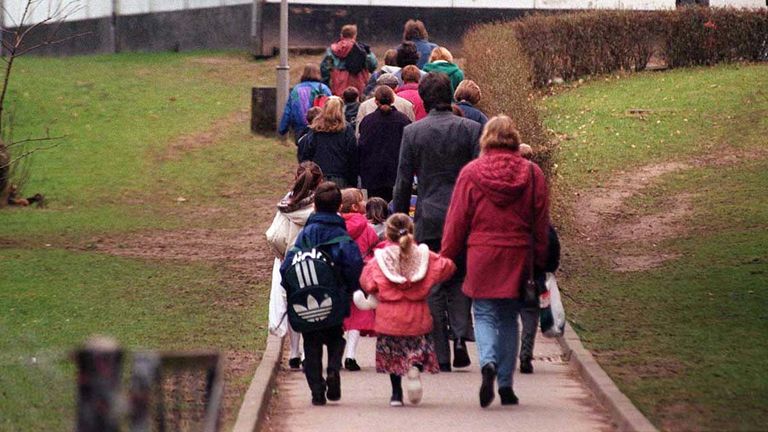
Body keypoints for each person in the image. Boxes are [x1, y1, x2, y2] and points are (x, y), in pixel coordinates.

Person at [440, 115, 550, 408]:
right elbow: (541, 223)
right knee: (508, 318)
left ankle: (487, 363)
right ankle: (505, 383)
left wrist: (447, 256)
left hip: (482, 253)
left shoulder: (471, 173)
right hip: (517, 254)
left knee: (485, 313)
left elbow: (457, 220)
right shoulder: (532, 174)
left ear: (485, 139)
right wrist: (540, 260)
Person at [392, 72, 482, 372]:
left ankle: (440, 351)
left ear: (425, 98)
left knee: (432, 283)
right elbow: (478, 177)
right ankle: (459, 336)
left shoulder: (412, 133)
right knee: (459, 278)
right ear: (451, 94)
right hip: (464, 216)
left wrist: (401, 224)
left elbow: (403, 181)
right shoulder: (470, 130)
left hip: (428, 217)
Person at [281, 181, 365, 406]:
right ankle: (333, 370)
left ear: (315, 206)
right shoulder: (341, 235)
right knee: (335, 339)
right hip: (334, 299)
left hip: (306, 300)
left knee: (312, 344)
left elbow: (287, 265)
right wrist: (351, 288)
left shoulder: (306, 234)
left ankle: (317, 391)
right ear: (339, 206)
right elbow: (354, 265)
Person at [359, 213, 456, 406]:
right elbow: (447, 267)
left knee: (393, 356)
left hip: (389, 320)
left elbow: (367, 282)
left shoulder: (380, 260)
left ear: (387, 235)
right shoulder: (423, 257)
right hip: (418, 318)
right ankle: (414, 369)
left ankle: (396, 394)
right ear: (411, 231)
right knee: (416, 350)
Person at [266, 162, 325, 370]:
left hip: (285, 258)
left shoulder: (286, 203)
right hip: (311, 260)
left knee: (291, 303)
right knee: (309, 304)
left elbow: (273, 234)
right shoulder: (318, 206)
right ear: (320, 181)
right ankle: (309, 351)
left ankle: (293, 351)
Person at [516, 143, 561, 375]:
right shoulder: (537, 178)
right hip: (532, 258)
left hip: (509, 254)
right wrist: (548, 265)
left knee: (506, 311)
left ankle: (506, 353)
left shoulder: (508, 180)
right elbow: (548, 233)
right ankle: (526, 351)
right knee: (529, 309)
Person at [340, 188, 380, 372]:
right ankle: (350, 355)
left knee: (338, 312)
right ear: (356, 207)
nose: (365, 203)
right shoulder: (365, 226)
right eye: (361, 200)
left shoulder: (338, 225)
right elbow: (374, 246)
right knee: (357, 314)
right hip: (359, 273)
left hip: (339, 273)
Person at [358, 86, 412, 202]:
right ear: (393, 100)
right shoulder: (403, 120)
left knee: (376, 208)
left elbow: (362, 146)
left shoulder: (368, 121)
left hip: (373, 173)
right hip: (396, 171)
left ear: (376, 101)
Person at [298, 96, 358, 188]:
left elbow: (307, 153)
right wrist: (353, 180)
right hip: (340, 175)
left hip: (318, 175)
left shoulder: (315, 129)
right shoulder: (347, 130)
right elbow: (352, 156)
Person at [278, 64, 332, 144]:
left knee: (303, 151)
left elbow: (288, 110)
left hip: (300, 128)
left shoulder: (296, 90)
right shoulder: (323, 88)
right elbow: (332, 107)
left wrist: (282, 129)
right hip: (321, 127)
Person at [321, 24, 378, 97]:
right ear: (355, 36)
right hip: (359, 89)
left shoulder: (332, 51)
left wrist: (326, 84)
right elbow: (373, 65)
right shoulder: (362, 50)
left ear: (341, 35)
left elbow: (325, 69)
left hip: (338, 89)